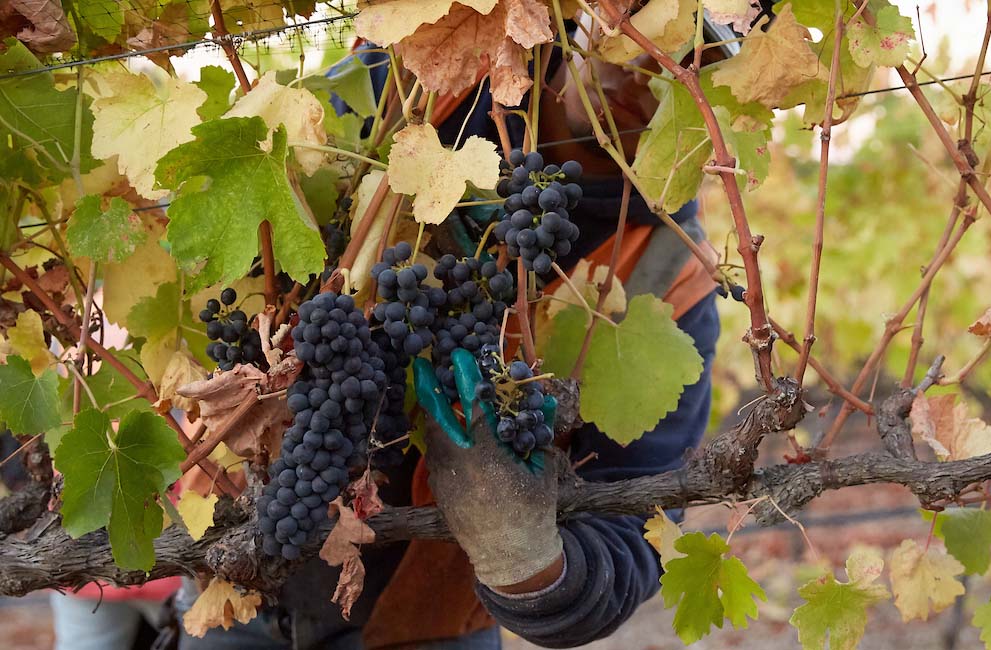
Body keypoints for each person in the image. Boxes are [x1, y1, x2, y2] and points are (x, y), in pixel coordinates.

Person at [176, 16, 739, 650]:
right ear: (591, 13)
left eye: (692, 66)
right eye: (642, 35)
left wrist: (527, 565)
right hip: (229, 566)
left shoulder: (672, 274)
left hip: (423, 619)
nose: (649, 76)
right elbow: (227, 230)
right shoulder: (420, 73)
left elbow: (635, 524)